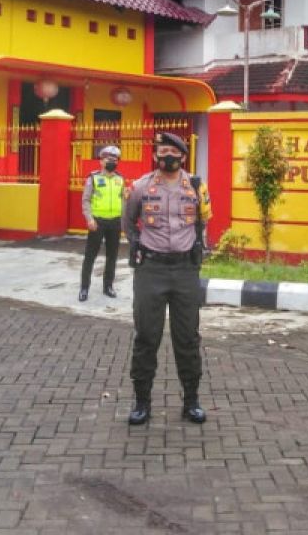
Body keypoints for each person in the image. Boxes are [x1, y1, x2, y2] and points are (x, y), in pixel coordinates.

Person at [122, 132, 210, 426]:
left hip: (185, 270)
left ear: (183, 156)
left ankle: (192, 401)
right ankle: (142, 402)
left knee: (187, 338)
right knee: (147, 337)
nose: (167, 156)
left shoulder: (196, 186)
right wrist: (139, 246)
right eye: (163, 151)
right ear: (156, 155)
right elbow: (128, 221)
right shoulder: (140, 187)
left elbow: (203, 221)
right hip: (151, 270)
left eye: (173, 151)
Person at [79, 144, 125, 301]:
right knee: (90, 256)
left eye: (114, 159)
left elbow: (123, 200)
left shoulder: (120, 179)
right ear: (101, 161)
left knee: (112, 256)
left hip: (115, 222)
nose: (112, 161)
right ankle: (84, 288)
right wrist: (89, 219)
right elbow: (85, 200)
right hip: (97, 222)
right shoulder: (93, 178)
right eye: (108, 159)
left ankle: (108, 286)